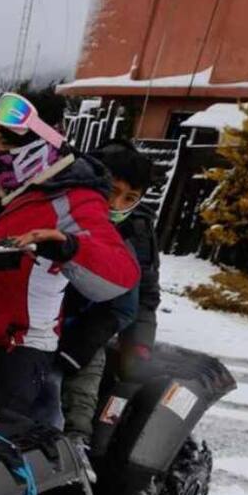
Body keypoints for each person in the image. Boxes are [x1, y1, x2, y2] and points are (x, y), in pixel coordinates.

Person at [0, 93, 141, 427]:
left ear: (41, 142)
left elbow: (120, 275)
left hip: (18, 348)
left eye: (4, 144)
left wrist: (70, 247)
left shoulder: (73, 197)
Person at [58, 139, 160, 439]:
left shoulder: (136, 233)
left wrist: (139, 346)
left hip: (91, 322)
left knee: (86, 372)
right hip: (35, 317)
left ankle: (78, 441)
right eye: (113, 191)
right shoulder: (63, 210)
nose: (117, 205)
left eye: (129, 198)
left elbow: (143, 296)